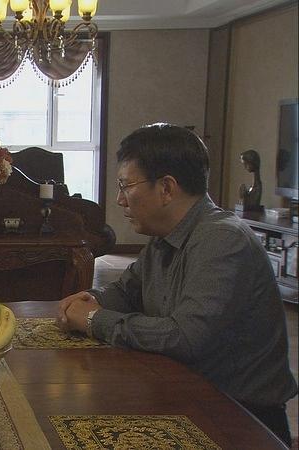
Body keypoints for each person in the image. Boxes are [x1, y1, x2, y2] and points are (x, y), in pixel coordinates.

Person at [56, 123, 297, 446]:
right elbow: (126, 291)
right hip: (187, 399)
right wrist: (87, 298)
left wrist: (93, 319)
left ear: (167, 188)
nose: (120, 199)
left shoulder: (223, 240)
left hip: (239, 418)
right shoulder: (165, 234)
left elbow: (185, 338)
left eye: (126, 186)